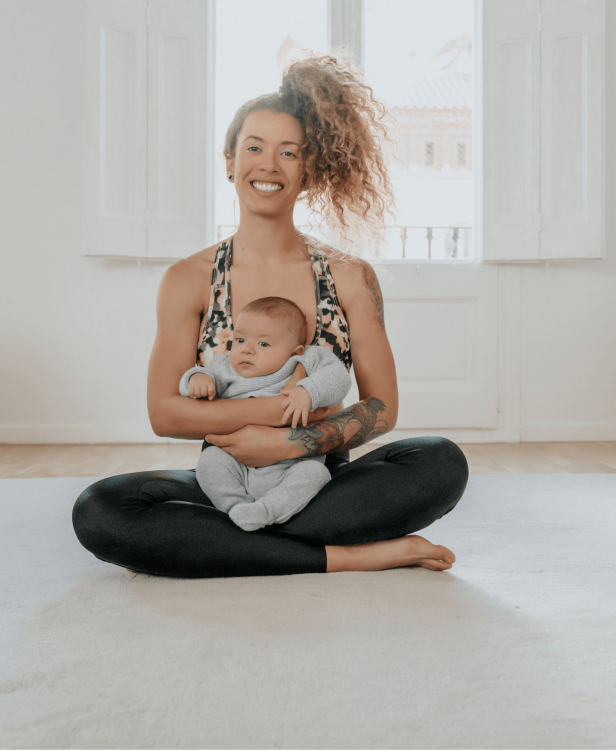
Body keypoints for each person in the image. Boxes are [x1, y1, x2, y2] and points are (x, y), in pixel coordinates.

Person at [72, 52, 469, 578]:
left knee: (440, 460)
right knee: (100, 510)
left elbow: (382, 409)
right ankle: (345, 555)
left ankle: (230, 546)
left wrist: (289, 444)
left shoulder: (350, 275)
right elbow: (166, 414)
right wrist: (271, 424)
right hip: (228, 478)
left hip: (318, 481)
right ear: (230, 161)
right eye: (254, 148)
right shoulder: (188, 279)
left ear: (309, 172)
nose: (269, 165)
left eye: (290, 153)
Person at [182, 296, 352, 532]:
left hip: (292, 465)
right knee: (209, 462)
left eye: (263, 344)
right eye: (239, 339)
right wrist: (197, 378)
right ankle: (237, 508)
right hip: (236, 463)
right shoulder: (224, 368)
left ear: (296, 351)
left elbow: (339, 378)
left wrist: (308, 391)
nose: (247, 350)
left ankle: (267, 511)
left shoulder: (305, 361)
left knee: (316, 474)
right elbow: (194, 381)